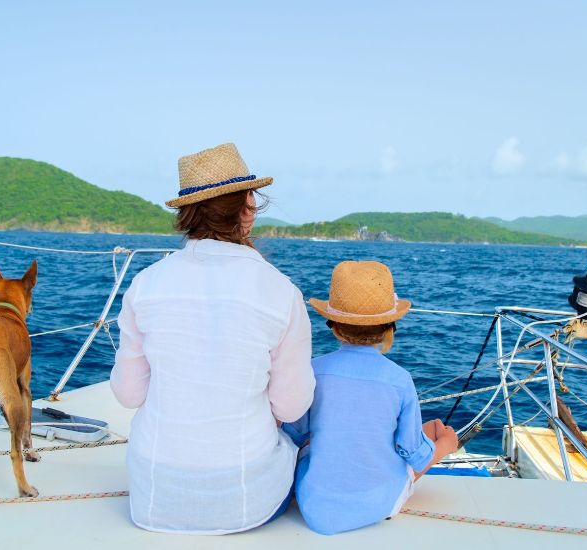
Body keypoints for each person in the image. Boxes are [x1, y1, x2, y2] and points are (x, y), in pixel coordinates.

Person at [110, 143, 315, 534]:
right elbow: (291, 407)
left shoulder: (145, 284)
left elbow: (128, 394)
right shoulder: (281, 292)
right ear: (248, 206)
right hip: (245, 500)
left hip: (154, 495)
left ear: (185, 213)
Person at [284, 260, 458, 535]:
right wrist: (446, 446)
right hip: (380, 505)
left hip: (314, 506)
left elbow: (295, 433)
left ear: (334, 324)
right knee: (435, 431)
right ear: (389, 326)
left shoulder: (314, 371)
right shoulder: (400, 380)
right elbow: (414, 455)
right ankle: (444, 441)